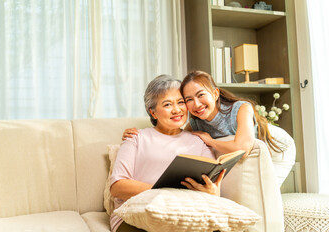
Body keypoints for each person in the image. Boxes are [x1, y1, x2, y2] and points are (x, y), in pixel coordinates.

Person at [124, 71, 295, 186]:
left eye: (200, 95)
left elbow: (243, 147)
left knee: (268, 192)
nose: (196, 104)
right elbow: (175, 135)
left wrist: (211, 141)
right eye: (188, 99)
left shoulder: (242, 108)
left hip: (278, 148)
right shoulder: (197, 121)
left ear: (215, 94)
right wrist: (137, 135)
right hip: (256, 151)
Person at [110, 74, 225, 232]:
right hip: (134, 215)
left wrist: (213, 192)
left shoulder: (199, 141)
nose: (177, 110)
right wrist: (166, 193)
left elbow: (212, 186)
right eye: (167, 104)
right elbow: (117, 186)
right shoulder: (135, 138)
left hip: (183, 215)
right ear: (153, 112)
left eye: (181, 102)